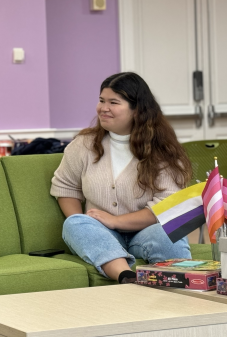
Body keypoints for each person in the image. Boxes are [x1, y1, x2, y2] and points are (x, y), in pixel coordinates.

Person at [50, 72, 192, 284]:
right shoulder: (84, 145)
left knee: (169, 232)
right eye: (101, 101)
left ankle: (185, 285)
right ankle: (126, 277)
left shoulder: (162, 150)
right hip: (101, 232)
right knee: (74, 223)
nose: (103, 108)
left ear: (137, 110)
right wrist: (91, 225)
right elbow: (65, 188)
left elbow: (165, 207)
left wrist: (117, 221)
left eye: (113, 102)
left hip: (145, 232)